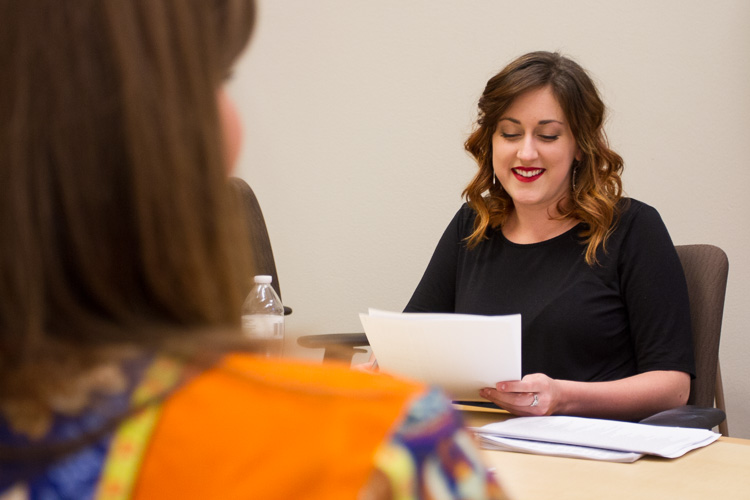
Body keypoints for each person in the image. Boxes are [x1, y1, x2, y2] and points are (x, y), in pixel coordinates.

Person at [0, 1, 507, 498]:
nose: (526, 152)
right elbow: (411, 333)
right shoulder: (384, 455)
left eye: (546, 135)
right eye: (217, 76)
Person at [404, 51, 695, 422]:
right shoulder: (472, 225)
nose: (526, 152)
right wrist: (386, 368)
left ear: (579, 147)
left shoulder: (634, 228)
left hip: (593, 455)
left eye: (548, 135)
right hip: (484, 446)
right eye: (510, 134)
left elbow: (673, 386)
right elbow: (412, 343)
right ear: (491, 142)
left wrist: (562, 397)